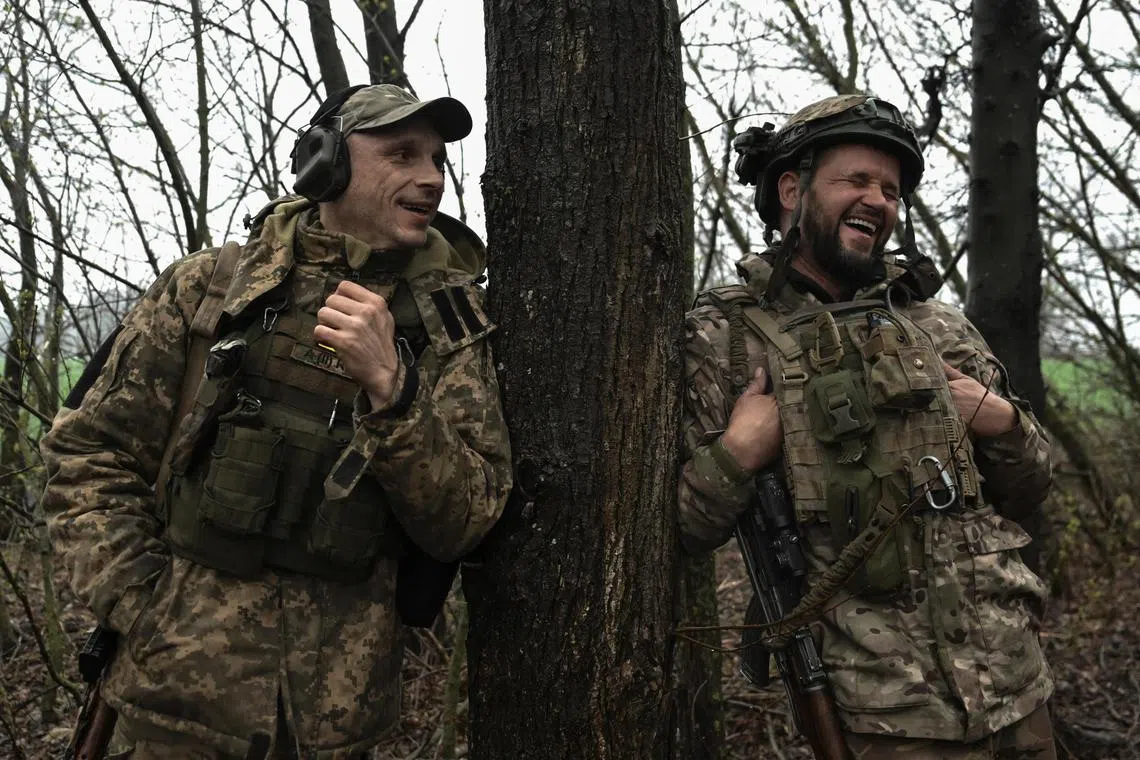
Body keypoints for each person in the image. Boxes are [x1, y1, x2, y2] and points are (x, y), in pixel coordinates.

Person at [41, 84, 512, 759]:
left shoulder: (451, 331)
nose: (430, 177)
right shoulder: (209, 290)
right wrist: (144, 606)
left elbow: (470, 518)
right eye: (402, 154)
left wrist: (394, 393)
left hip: (333, 727)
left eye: (438, 160)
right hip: (166, 711)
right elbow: (87, 452)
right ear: (327, 162)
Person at [678, 94, 1056, 758]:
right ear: (792, 189)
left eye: (890, 189)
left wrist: (1000, 423)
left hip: (1016, 689)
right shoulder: (728, 337)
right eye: (856, 180)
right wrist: (738, 452)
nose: (879, 201)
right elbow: (685, 526)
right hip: (880, 717)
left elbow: (1029, 489)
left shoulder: (935, 324)